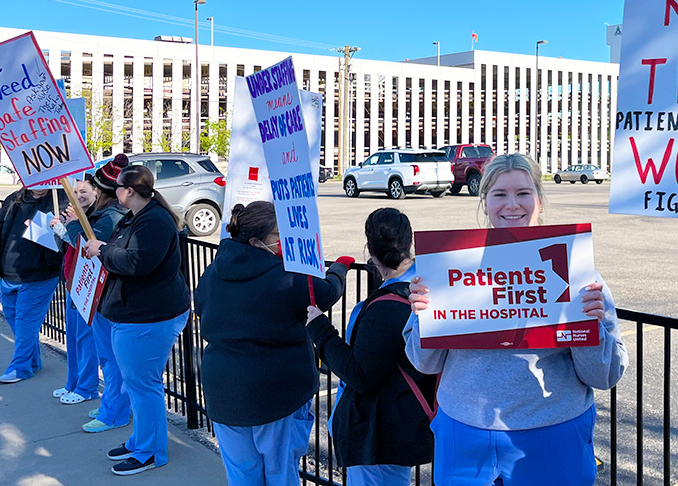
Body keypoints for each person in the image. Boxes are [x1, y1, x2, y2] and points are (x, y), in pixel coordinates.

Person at [403, 153, 628, 486]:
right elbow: (425, 363)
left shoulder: (577, 269)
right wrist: (424, 317)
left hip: (552, 434)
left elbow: (605, 374)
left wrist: (589, 326)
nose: (512, 205)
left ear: (539, 200)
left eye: (523, 193)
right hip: (464, 435)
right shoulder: (449, 267)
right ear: (485, 202)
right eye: (499, 194)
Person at [194, 201, 350, 486]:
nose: (287, 241)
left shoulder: (215, 269)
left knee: (243, 474)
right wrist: (339, 268)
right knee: (281, 472)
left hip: (224, 391)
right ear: (256, 241)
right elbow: (325, 292)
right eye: (281, 235)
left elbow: (200, 305)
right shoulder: (286, 274)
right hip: (276, 394)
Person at [305, 208, 436, 486]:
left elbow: (360, 374)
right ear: (409, 244)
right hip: (401, 421)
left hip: (379, 432)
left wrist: (321, 330)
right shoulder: (427, 283)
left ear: (370, 249)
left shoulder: (386, 307)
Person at [82, 164, 191, 476]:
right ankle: (141, 439)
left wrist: (102, 250)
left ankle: (150, 451)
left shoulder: (154, 221)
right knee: (137, 382)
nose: (113, 191)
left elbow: (136, 263)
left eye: (117, 186)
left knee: (144, 385)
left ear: (129, 191)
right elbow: (125, 254)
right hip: (135, 312)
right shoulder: (136, 217)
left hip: (150, 316)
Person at [67, 157, 132, 431]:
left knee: (112, 358)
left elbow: (89, 250)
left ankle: (114, 412)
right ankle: (112, 405)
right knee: (109, 356)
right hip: (104, 295)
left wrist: (70, 225)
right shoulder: (108, 215)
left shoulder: (111, 217)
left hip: (108, 295)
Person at [0, 184, 67, 384]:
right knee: (15, 320)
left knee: (25, 323)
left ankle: (20, 368)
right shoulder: (15, 198)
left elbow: (67, 236)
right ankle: (33, 361)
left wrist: (55, 225)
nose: (38, 184)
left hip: (39, 274)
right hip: (8, 272)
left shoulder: (60, 200)